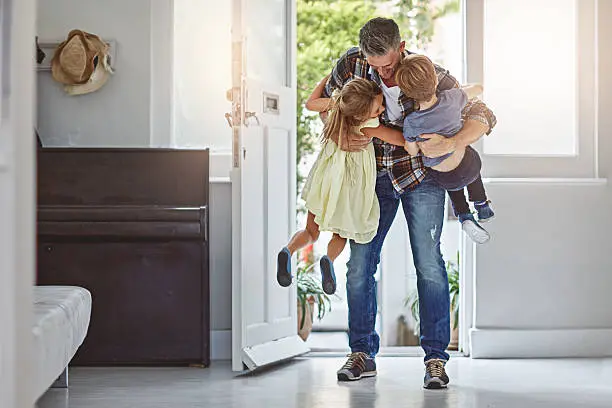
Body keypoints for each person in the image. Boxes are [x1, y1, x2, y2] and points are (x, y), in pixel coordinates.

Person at [325, 17, 496, 389]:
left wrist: (454, 142)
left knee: (429, 264)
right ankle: (361, 353)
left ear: (401, 49)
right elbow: (328, 106)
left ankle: (435, 358)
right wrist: (341, 132)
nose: (382, 72)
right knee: (359, 264)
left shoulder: (425, 72)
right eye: (375, 65)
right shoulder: (351, 65)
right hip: (372, 177)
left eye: (387, 64)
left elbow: (484, 112)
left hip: (422, 178)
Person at [276, 78, 405, 295]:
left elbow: (310, 103)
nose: (382, 110)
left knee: (311, 231)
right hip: (349, 187)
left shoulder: (336, 108)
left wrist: (325, 80)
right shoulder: (369, 126)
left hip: (325, 181)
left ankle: (288, 251)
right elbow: (398, 138)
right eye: (377, 108)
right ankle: (328, 259)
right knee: (340, 234)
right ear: (360, 114)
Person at [396, 54, 495, 244]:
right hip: (468, 167)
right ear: (435, 81)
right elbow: (479, 88)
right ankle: (482, 205)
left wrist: (414, 142)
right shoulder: (452, 98)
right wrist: (469, 88)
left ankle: (464, 215)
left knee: (450, 180)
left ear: (407, 93)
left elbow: (412, 151)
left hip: (444, 178)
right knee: (469, 162)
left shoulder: (411, 122)